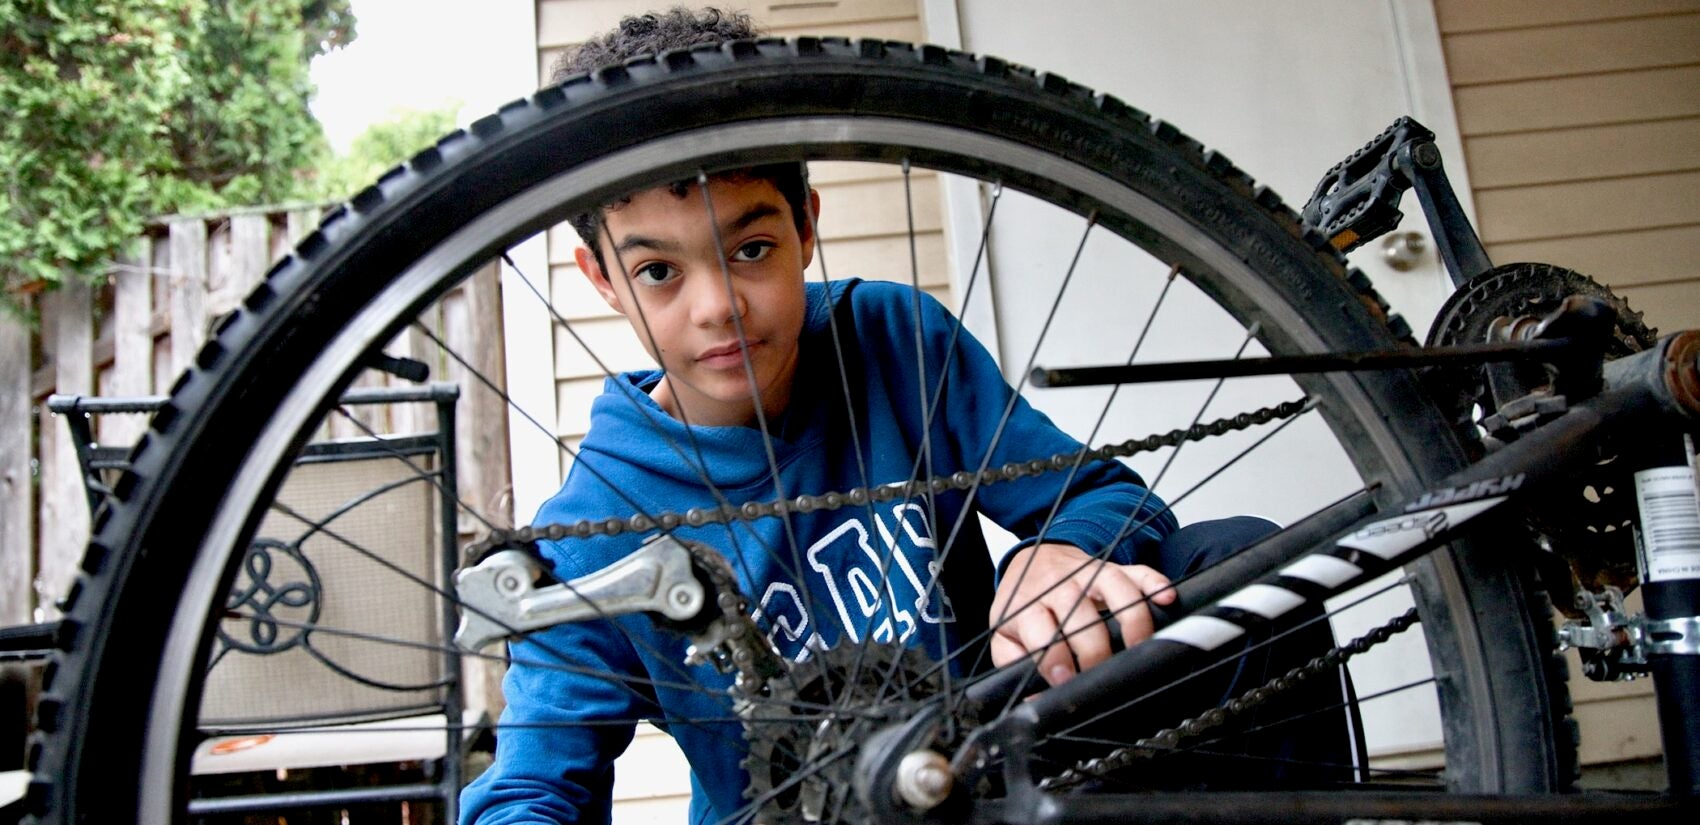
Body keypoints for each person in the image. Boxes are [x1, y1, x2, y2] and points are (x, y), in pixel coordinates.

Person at [461, 9, 1347, 823]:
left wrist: (1062, 550)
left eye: (753, 248)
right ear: (604, 279)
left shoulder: (891, 338)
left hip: (987, 781)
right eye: (660, 271)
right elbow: (534, 783)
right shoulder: (591, 529)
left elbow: (1108, 495)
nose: (718, 306)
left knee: (1235, 561)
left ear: (807, 225)